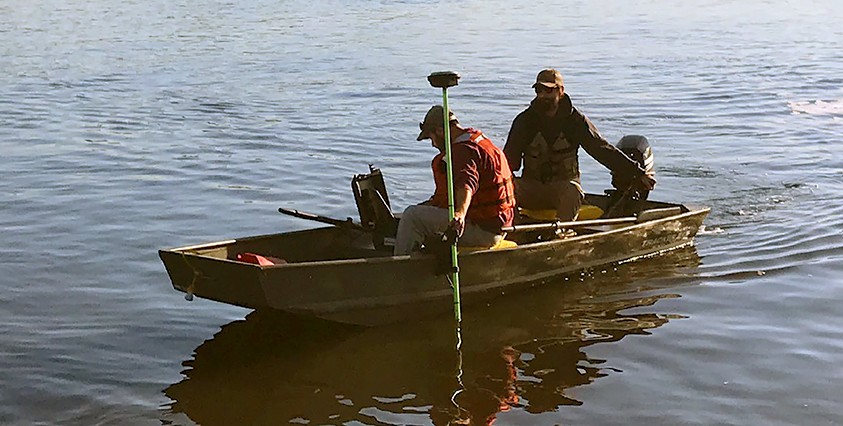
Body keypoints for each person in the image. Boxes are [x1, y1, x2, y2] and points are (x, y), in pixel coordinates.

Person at [504, 68, 656, 221]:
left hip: (562, 188)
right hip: (531, 186)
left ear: (560, 91)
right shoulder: (524, 121)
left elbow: (601, 149)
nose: (543, 96)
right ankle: (512, 229)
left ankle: (563, 234)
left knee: (573, 190)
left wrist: (637, 172)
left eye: (549, 91)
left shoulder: (575, 121)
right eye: (539, 90)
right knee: (504, 186)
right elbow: (508, 161)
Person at [394, 106, 515, 256]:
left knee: (412, 216)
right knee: (417, 212)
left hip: (482, 231)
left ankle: (401, 266)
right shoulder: (476, 140)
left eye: (431, 138)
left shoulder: (462, 151)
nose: (433, 144)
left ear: (440, 131)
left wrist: (460, 213)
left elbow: (467, 183)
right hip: (498, 226)